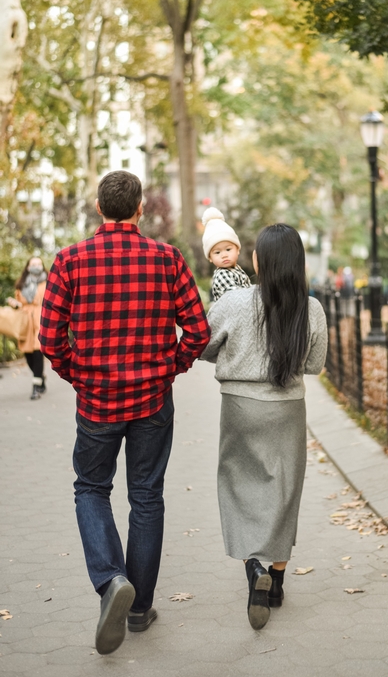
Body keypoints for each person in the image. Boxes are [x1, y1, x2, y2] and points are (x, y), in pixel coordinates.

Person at [39, 170, 210, 656]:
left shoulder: (70, 261)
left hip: (97, 403)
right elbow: (197, 331)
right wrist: (168, 369)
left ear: (99, 208)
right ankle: (139, 608)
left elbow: (50, 339)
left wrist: (81, 376)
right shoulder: (167, 259)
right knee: (146, 497)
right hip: (152, 401)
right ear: (140, 210)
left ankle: (111, 579)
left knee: (91, 488)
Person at [201, 223, 327, 630]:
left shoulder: (233, 302)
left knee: (238, 486)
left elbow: (202, 345)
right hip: (288, 408)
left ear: (259, 260)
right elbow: (314, 364)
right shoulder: (311, 309)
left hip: (240, 407)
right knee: (284, 491)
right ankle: (276, 586)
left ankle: (253, 568)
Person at [7, 256, 48, 399]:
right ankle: (40, 377)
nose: (36, 266)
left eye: (38, 263)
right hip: (26, 322)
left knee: (37, 353)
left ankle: (36, 387)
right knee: (28, 355)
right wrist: (15, 304)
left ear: (42, 266)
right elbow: (20, 303)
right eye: (33, 263)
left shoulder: (48, 282)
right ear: (28, 266)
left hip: (41, 320)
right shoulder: (22, 283)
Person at [202, 206, 251, 300]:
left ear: (238, 250)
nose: (224, 255)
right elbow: (237, 299)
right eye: (217, 252)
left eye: (228, 249)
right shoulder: (222, 274)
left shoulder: (235, 270)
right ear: (210, 258)